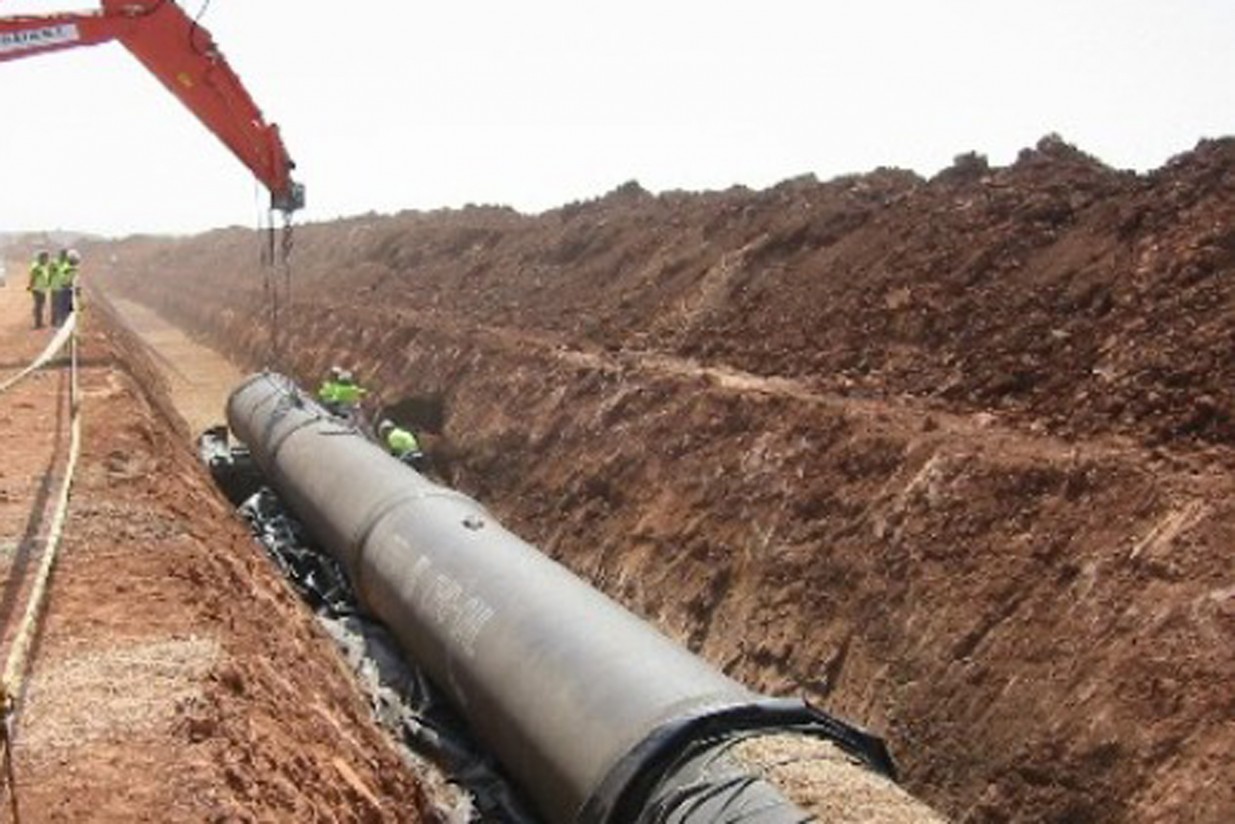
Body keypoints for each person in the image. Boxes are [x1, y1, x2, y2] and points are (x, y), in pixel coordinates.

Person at [50, 248, 80, 326]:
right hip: (62, 289)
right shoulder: (69, 268)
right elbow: (65, 279)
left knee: (60, 306)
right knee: (62, 307)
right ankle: (60, 322)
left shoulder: (64, 265)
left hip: (60, 288)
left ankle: (58, 322)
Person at [27, 251, 53, 329]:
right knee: (39, 306)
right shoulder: (37, 267)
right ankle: (37, 324)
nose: (47, 260)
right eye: (46, 258)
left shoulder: (43, 266)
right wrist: (31, 286)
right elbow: (33, 277)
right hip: (37, 289)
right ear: (42, 258)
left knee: (40, 306)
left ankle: (39, 320)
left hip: (42, 289)